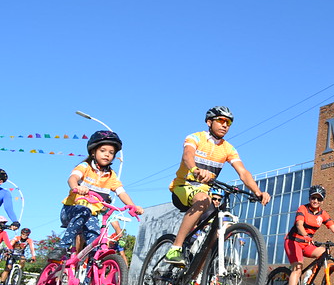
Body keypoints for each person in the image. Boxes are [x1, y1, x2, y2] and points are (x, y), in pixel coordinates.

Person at [165, 106, 271, 265]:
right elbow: (187, 155)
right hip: (183, 187)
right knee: (203, 200)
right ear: (209, 122)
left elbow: (243, 172)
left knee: (217, 232)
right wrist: (195, 170)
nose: (225, 125)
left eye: (228, 123)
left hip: (205, 192)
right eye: (221, 121)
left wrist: (258, 191)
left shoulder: (228, 148)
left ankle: (194, 280)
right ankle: (175, 248)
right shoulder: (195, 138)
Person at [49, 131, 144, 261]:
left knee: (95, 242)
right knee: (84, 210)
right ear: (93, 152)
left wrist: (132, 206)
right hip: (70, 211)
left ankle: (91, 277)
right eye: (103, 150)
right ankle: (62, 247)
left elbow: (121, 192)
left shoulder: (111, 175)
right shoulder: (85, 166)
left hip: (91, 216)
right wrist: (76, 187)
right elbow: (72, 178)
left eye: (111, 153)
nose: (107, 154)